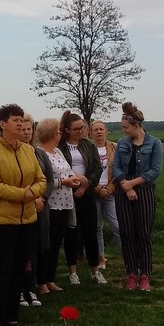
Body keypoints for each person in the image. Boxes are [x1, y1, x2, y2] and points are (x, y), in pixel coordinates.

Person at [0, 103, 46, 326]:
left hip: (27, 218)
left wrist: (33, 192)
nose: (20, 124)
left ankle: (12, 318)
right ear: (2, 124)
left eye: (22, 120)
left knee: (19, 270)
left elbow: (41, 179)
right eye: (15, 120)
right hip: (3, 220)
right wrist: (23, 195)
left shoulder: (28, 150)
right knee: (4, 271)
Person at [112, 102, 163, 292]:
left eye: (125, 127)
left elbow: (155, 170)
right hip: (123, 190)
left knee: (143, 234)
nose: (123, 130)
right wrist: (126, 186)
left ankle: (145, 275)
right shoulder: (122, 143)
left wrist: (133, 184)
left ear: (136, 125)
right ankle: (131, 273)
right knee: (127, 233)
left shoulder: (154, 143)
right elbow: (116, 167)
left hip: (144, 191)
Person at [58, 110, 106, 285]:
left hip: (87, 194)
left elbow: (97, 168)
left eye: (82, 128)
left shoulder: (88, 146)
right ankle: (72, 271)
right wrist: (74, 182)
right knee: (70, 233)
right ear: (67, 130)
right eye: (76, 129)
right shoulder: (60, 147)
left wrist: (86, 185)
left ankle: (95, 270)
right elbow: (58, 168)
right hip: (67, 194)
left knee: (90, 232)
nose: (80, 131)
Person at [35, 117, 81, 295]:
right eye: (58, 132)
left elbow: (67, 171)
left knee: (56, 244)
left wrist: (73, 178)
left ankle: (50, 279)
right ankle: (41, 281)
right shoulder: (39, 153)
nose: (60, 135)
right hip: (51, 204)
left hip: (66, 203)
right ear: (53, 135)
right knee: (47, 243)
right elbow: (42, 181)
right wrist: (64, 182)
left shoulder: (58, 152)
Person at [18, 114, 50, 307]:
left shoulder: (39, 153)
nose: (26, 132)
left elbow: (48, 179)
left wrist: (41, 198)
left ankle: (32, 287)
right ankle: (19, 290)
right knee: (21, 250)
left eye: (29, 129)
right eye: (22, 129)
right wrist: (30, 197)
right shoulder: (12, 153)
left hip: (40, 207)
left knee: (34, 249)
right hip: (19, 206)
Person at [91, 119, 121, 262]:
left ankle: (128, 258)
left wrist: (111, 187)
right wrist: (98, 189)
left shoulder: (115, 147)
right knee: (97, 227)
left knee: (117, 226)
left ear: (106, 131)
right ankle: (100, 258)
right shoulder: (88, 149)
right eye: (95, 130)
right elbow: (85, 171)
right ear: (91, 133)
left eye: (101, 129)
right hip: (94, 191)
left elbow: (121, 169)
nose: (99, 132)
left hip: (110, 192)